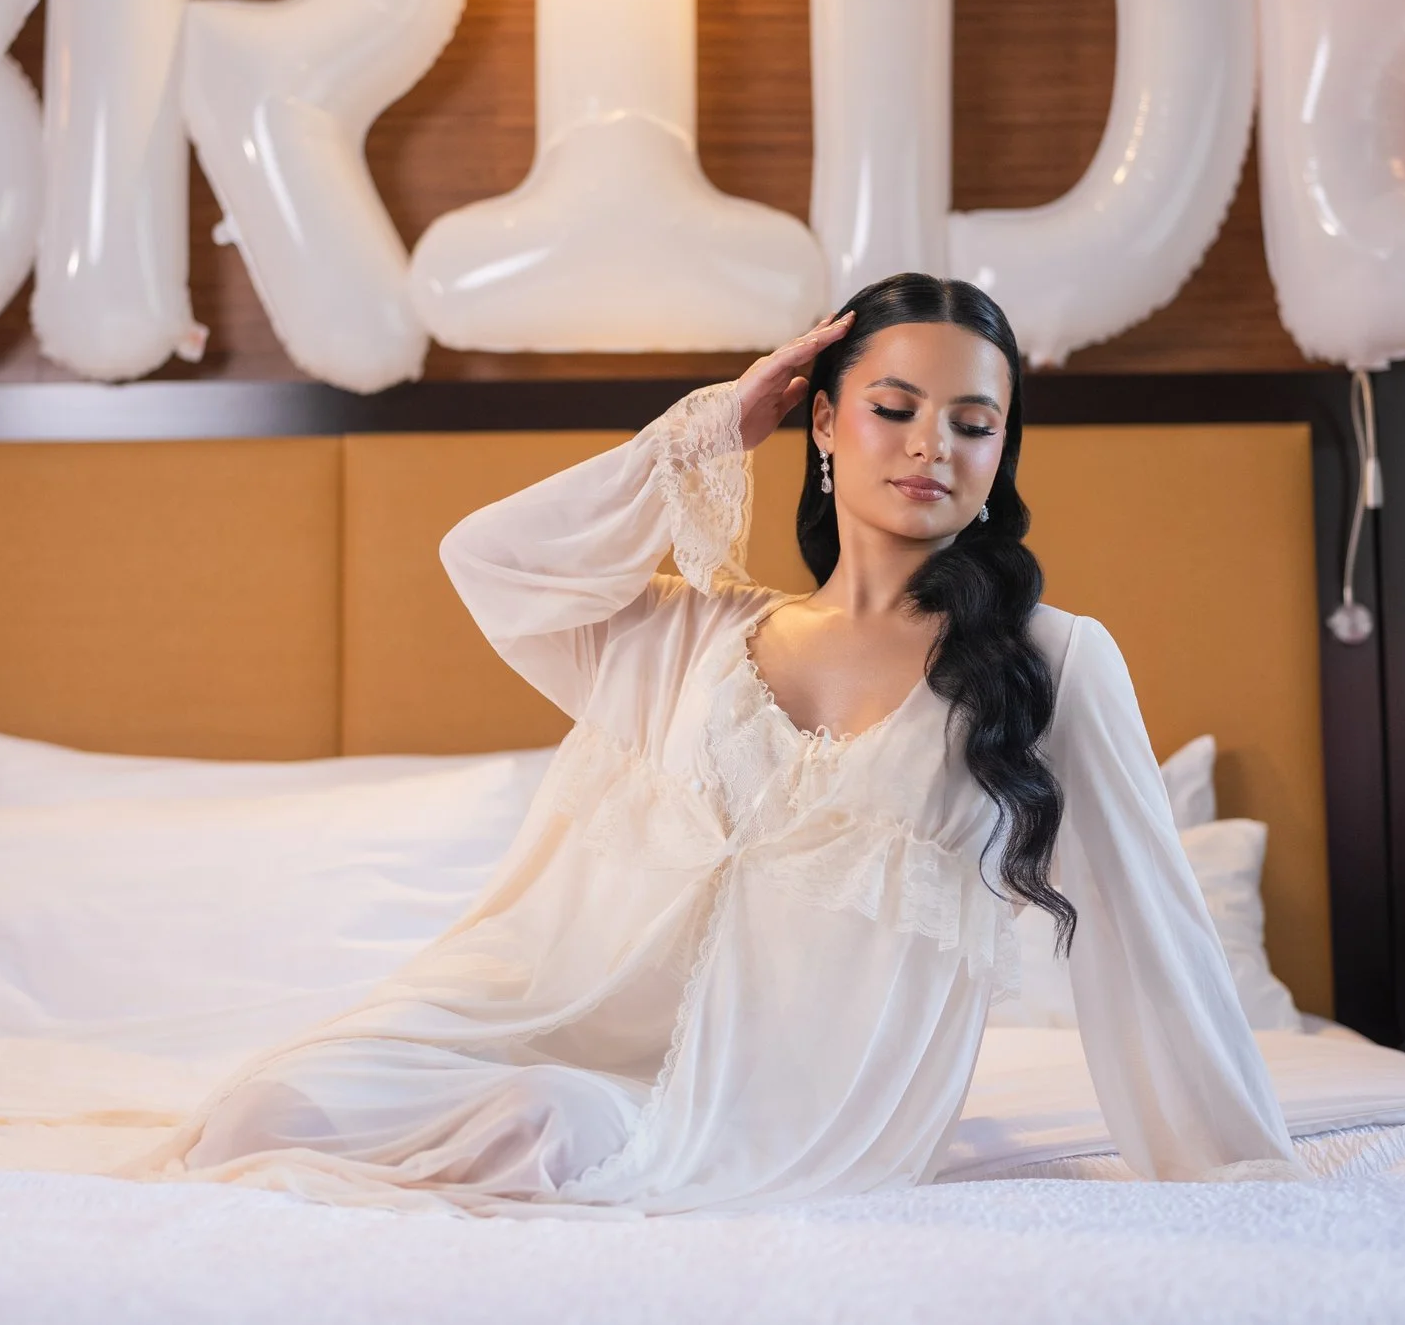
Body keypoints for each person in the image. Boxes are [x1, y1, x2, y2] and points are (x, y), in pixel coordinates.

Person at [133, 271, 1304, 1215]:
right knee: (267, 1109)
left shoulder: (1052, 663)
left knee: (541, 1126)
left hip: (783, 1113)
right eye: (893, 406)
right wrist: (717, 424)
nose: (931, 445)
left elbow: (1158, 937)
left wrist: (1233, 1171)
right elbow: (490, 560)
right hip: (564, 1029)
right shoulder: (687, 635)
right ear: (826, 421)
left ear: (1000, 458)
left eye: (973, 422)